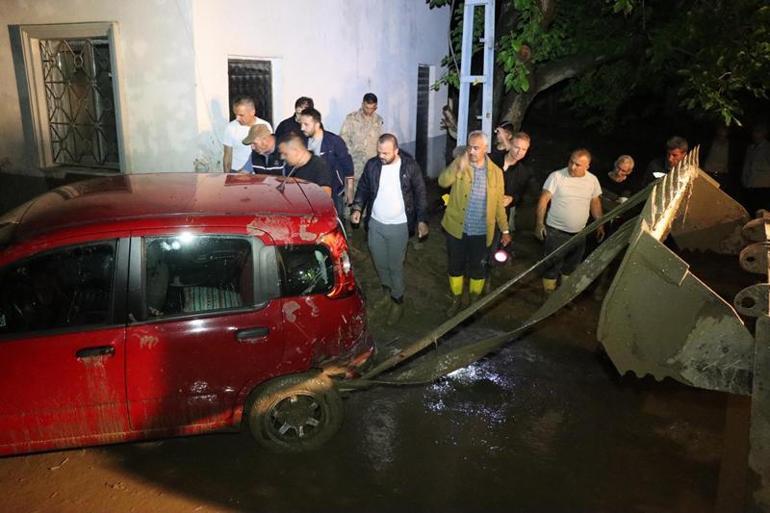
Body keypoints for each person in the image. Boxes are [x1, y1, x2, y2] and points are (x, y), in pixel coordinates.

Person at [350, 134, 428, 325]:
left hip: (399, 226)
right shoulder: (373, 165)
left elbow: (420, 194)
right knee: (379, 262)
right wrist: (358, 208)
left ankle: (397, 301)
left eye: (385, 153)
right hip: (376, 224)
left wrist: (422, 220)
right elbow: (363, 188)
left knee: (395, 266)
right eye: (379, 152)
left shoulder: (410, 167)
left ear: (396, 151)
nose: (381, 156)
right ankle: (387, 292)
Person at [438, 130, 511, 317]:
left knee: (478, 267)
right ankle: (456, 298)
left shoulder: (496, 173)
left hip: (481, 231)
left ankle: (473, 300)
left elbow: (498, 206)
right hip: (457, 228)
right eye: (470, 146)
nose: (471, 151)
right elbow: (442, 182)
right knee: (455, 265)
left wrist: (505, 230)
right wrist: (457, 165)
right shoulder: (461, 164)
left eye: (476, 148)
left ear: (486, 149)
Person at [535, 149, 604, 295]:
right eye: (571, 162)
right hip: (556, 231)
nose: (572, 167)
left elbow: (595, 203)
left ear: (587, 166)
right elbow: (543, 200)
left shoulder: (592, 180)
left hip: (580, 233)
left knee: (572, 266)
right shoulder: (557, 176)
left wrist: (600, 224)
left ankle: (563, 296)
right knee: (552, 265)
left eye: (578, 165)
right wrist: (539, 223)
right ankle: (548, 295)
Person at [300, 108, 355, 221]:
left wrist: (349, 193)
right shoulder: (302, 142)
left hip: (334, 192)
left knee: (334, 223)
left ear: (317, 124)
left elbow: (348, 167)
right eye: (301, 124)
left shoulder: (334, 141)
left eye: (306, 124)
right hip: (309, 193)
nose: (302, 128)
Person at [340, 93, 384, 184]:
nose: (369, 111)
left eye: (372, 108)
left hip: (372, 166)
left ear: (376, 107)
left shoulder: (379, 120)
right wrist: (350, 156)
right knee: (350, 195)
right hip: (353, 165)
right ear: (362, 104)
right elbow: (343, 140)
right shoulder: (351, 119)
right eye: (367, 108)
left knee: (371, 194)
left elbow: (381, 140)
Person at [222, 96, 272, 173]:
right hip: (236, 172)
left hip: (258, 173)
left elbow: (269, 151)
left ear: (252, 112)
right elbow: (227, 156)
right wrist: (227, 176)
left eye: (241, 115)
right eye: (236, 114)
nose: (237, 118)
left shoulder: (264, 125)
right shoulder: (230, 128)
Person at [741, 122, 770, 215]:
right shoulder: (751, 148)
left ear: (764, 133)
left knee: (761, 214)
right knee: (749, 212)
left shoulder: (768, 147)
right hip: (750, 185)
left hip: (763, 187)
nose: (755, 134)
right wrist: (744, 180)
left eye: (758, 132)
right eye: (754, 132)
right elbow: (746, 165)